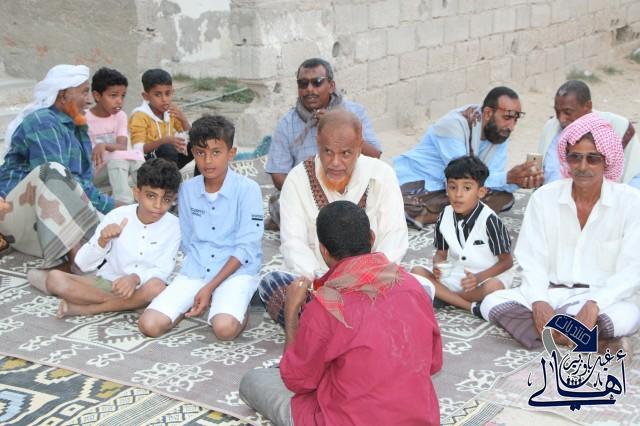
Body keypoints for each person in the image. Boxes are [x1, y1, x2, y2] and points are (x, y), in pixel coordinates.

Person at [240, 200, 443, 426]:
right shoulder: (413, 286)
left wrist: (291, 312)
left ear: (323, 251)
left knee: (254, 380)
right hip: (418, 418)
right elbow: (434, 363)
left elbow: (297, 381)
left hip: (347, 420)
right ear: (372, 238)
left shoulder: (326, 305)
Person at [259, 110, 434, 328]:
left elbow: (394, 237)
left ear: (360, 147)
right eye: (328, 152)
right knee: (271, 283)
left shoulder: (382, 175)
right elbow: (293, 243)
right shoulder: (297, 179)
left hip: (372, 285)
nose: (335, 162)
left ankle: (328, 328)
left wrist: (363, 281)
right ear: (317, 143)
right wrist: (324, 282)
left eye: (345, 153)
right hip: (320, 286)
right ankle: (364, 326)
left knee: (424, 289)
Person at [481, 113, 640, 351]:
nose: (582, 167)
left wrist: (595, 303)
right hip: (551, 292)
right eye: (575, 157)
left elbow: (632, 269)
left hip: (603, 299)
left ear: (606, 161)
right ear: (566, 159)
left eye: (592, 159)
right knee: (492, 303)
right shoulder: (544, 198)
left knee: (626, 316)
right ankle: (585, 338)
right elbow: (531, 259)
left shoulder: (631, 202)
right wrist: (539, 301)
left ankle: (552, 332)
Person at [137, 115, 263, 341]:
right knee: (149, 325)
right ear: (192, 153)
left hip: (235, 271)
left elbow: (247, 247)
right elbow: (187, 240)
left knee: (224, 329)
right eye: (200, 153)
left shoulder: (248, 189)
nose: (208, 160)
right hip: (197, 268)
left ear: (231, 153)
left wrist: (210, 286)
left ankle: (237, 303)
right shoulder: (187, 190)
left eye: (216, 152)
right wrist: (200, 284)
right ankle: (200, 301)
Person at [0, 64, 116, 270]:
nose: (89, 100)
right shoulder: (43, 121)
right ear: (63, 96)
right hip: (13, 215)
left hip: (43, 217)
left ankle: (83, 250)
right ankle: (76, 258)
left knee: (116, 234)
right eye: (84, 92)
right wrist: (110, 204)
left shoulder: (75, 125)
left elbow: (82, 182)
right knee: (54, 171)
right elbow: (60, 181)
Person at [41, 159, 181, 318]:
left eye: (166, 200)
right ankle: (133, 304)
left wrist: (135, 278)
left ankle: (90, 309)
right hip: (108, 283)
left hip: (144, 286)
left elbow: (163, 270)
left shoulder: (175, 226)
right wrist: (102, 241)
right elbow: (82, 264)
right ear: (136, 193)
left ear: (173, 199)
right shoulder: (116, 216)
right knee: (54, 279)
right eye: (151, 196)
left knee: (157, 287)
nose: (158, 205)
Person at [394, 86, 543, 228]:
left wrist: (517, 180)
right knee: (399, 202)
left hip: (452, 189)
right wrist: (507, 178)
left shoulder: (499, 133)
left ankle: (437, 214)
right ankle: (433, 213)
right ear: (488, 113)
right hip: (421, 183)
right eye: (507, 117)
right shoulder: (453, 125)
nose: (511, 126)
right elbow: (462, 174)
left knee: (504, 197)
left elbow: (490, 178)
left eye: (515, 120)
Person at [265, 58, 382, 228]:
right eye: (303, 84)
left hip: (351, 190)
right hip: (307, 195)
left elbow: (375, 155)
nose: (309, 89)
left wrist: (336, 125)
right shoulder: (287, 123)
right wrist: (307, 194)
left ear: (331, 86)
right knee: (280, 205)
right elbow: (278, 174)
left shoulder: (355, 112)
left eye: (317, 82)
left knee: (378, 200)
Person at [412, 156, 513, 315]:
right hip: (457, 275)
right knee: (416, 272)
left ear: (481, 192)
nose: (458, 194)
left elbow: (507, 262)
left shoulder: (490, 221)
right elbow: (440, 254)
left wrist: (478, 278)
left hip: (486, 276)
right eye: (452, 187)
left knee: (493, 287)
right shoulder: (444, 215)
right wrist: (437, 266)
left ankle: (444, 297)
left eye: (466, 188)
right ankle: (469, 306)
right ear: (446, 189)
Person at [539, 79, 640, 188]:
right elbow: (544, 175)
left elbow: (635, 178)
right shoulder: (551, 127)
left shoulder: (618, 127)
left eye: (568, 112)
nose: (561, 119)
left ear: (588, 106)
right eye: (557, 112)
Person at [86, 67, 145, 204]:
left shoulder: (120, 116)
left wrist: (104, 145)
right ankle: (124, 204)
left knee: (134, 158)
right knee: (119, 159)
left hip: (116, 166)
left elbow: (122, 146)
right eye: (113, 96)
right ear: (97, 96)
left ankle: (149, 193)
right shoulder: (85, 119)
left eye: (122, 96)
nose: (119, 101)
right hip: (95, 173)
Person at [128, 68, 193, 171]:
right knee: (167, 148)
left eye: (168, 93)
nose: (164, 99)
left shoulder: (171, 110)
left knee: (198, 142)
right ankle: (170, 178)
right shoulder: (139, 115)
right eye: (158, 95)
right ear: (146, 96)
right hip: (147, 163)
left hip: (169, 157)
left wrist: (183, 120)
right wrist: (163, 141)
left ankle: (201, 179)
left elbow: (190, 134)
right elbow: (138, 149)